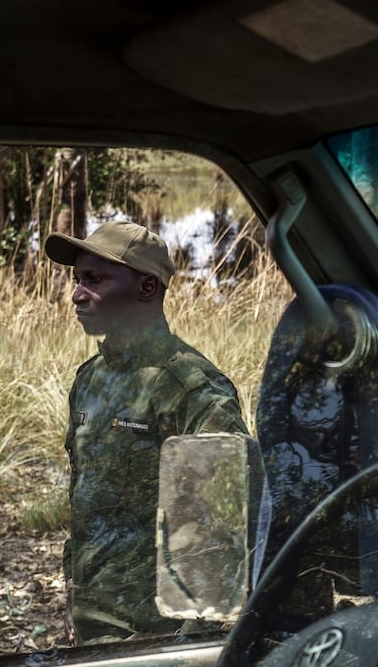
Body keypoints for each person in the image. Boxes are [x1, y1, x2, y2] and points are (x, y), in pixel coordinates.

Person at [45, 220, 249, 642]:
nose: (77, 295)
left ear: (146, 289)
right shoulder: (90, 379)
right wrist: (74, 599)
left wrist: (187, 641)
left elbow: (223, 523)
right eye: (77, 279)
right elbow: (88, 502)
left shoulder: (189, 385)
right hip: (93, 620)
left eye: (95, 279)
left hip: (152, 635)